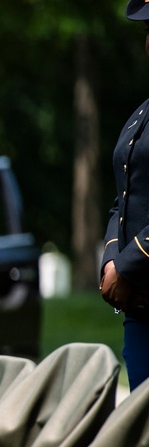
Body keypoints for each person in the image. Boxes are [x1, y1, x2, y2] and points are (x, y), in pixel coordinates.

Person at [100, 0, 149, 390]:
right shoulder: (141, 113)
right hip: (140, 305)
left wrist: (128, 264)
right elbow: (124, 197)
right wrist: (110, 260)